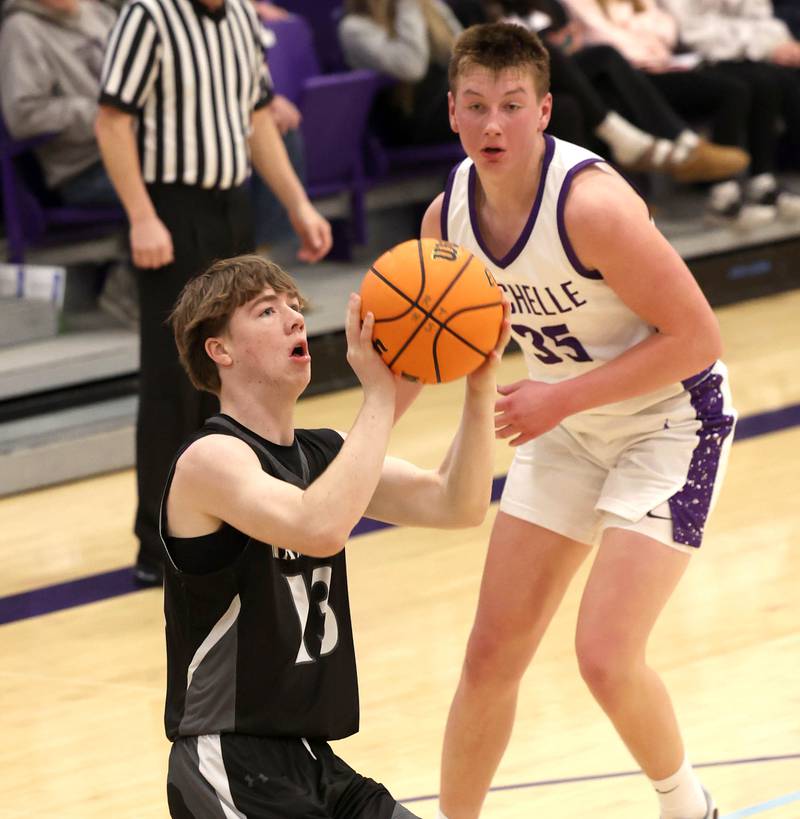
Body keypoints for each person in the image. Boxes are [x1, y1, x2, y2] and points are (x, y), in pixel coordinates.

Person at [420, 23, 735, 819]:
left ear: (545, 111)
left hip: (671, 422)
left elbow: (698, 338)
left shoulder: (591, 206)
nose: (494, 125)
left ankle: (686, 804)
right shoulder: (443, 221)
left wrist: (557, 397)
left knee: (603, 654)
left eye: (513, 106)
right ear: (451, 112)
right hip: (565, 424)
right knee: (490, 655)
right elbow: (462, 341)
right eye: (477, 106)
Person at [161, 253, 509, 818]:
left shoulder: (320, 455)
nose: (296, 319)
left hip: (314, 761)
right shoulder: (211, 460)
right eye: (267, 311)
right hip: (229, 763)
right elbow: (319, 527)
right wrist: (378, 394)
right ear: (219, 350)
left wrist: (479, 382)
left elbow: (458, 502)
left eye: (295, 307)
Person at [94, 0, 332, 586]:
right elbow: (112, 121)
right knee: (172, 382)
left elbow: (257, 121)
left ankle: (228, 522)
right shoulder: (148, 16)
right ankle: (159, 545)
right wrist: (142, 216)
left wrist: (297, 202)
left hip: (231, 208)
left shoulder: (244, 21)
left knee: (235, 380)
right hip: (171, 209)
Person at [563, 0, 800, 224]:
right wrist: (642, 37)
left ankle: (760, 183)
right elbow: (604, 38)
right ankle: (713, 180)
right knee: (743, 83)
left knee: (754, 85)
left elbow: (667, 30)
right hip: (629, 73)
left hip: (666, 64)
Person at [0, 0, 118, 206]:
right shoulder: (20, 30)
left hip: (139, 147)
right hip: (86, 168)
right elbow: (25, 116)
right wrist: (106, 115)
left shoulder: (97, 12)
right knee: (174, 188)